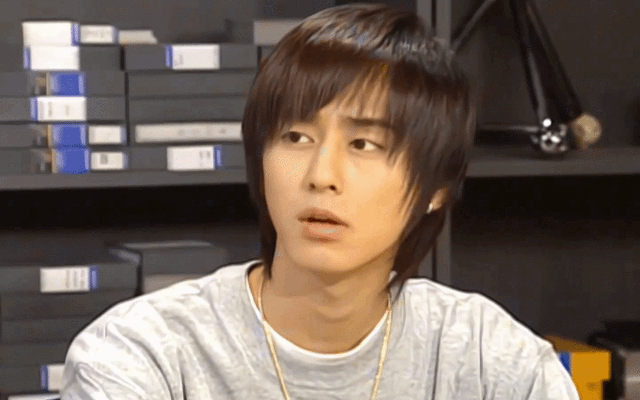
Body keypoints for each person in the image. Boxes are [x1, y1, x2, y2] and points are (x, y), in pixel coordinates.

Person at [60, 3, 580, 399]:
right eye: (295, 137)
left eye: (364, 144)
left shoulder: (491, 360)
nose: (321, 175)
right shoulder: (141, 354)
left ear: (437, 187)